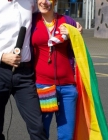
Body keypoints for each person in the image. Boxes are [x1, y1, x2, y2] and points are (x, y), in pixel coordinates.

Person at [0, 0, 82, 140]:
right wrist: (1, 56)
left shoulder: (29, 2)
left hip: (24, 74)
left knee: (38, 127)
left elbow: (47, 14)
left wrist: (72, 27)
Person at [31, 0, 78, 139]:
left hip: (67, 88)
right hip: (43, 86)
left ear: (55, 1)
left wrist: (74, 34)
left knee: (67, 134)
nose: (44, 2)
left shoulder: (67, 21)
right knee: (41, 131)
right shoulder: (31, 21)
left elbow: (79, 51)